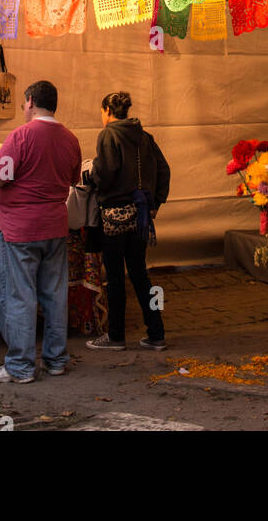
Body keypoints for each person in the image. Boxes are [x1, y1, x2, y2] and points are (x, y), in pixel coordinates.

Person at [0, 79, 81, 383]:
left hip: (20, 228)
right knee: (54, 294)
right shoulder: (70, 138)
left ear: (29, 101)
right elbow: (72, 177)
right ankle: (56, 359)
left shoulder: (21, 135)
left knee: (18, 296)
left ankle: (21, 365)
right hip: (55, 225)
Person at [86, 91, 170, 352]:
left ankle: (116, 336)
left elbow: (106, 173)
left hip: (114, 216)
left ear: (107, 111)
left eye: (102, 111)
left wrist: (91, 178)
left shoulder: (109, 135)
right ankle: (156, 332)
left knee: (114, 277)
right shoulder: (145, 136)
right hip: (142, 216)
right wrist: (156, 202)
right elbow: (163, 169)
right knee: (140, 274)